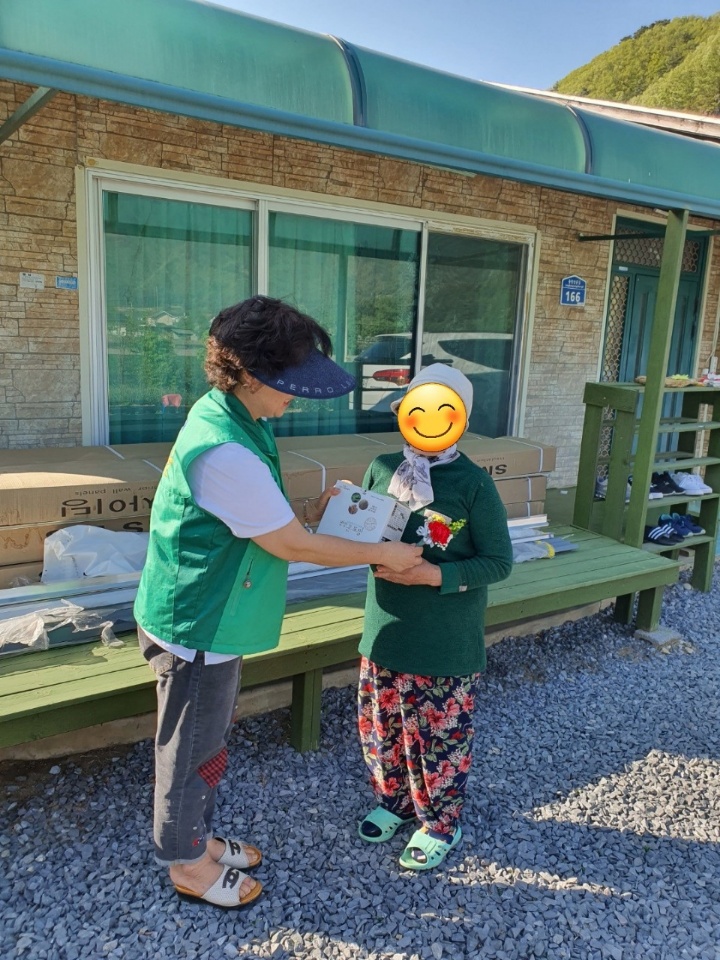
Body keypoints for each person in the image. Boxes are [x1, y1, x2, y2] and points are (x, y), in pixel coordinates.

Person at [134, 296, 423, 910]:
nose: (298, 397)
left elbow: (263, 517)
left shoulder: (238, 415)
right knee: (190, 751)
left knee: (207, 744)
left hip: (213, 610)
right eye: (291, 382)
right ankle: (185, 861)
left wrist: (314, 510)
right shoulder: (226, 449)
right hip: (198, 622)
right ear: (249, 374)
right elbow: (292, 545)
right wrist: (384, 554)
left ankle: (198, 838)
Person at [356, 363, 513, 870]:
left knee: (438, 736)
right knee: (382, 727)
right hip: (384, 629)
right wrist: (337, 515)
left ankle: (440, 822)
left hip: (445, 638)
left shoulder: (474, 484)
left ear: (460, 420)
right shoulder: (382, 468)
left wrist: (433, 576)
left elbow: (499, 562)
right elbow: (361, 535)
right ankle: (395, 802)